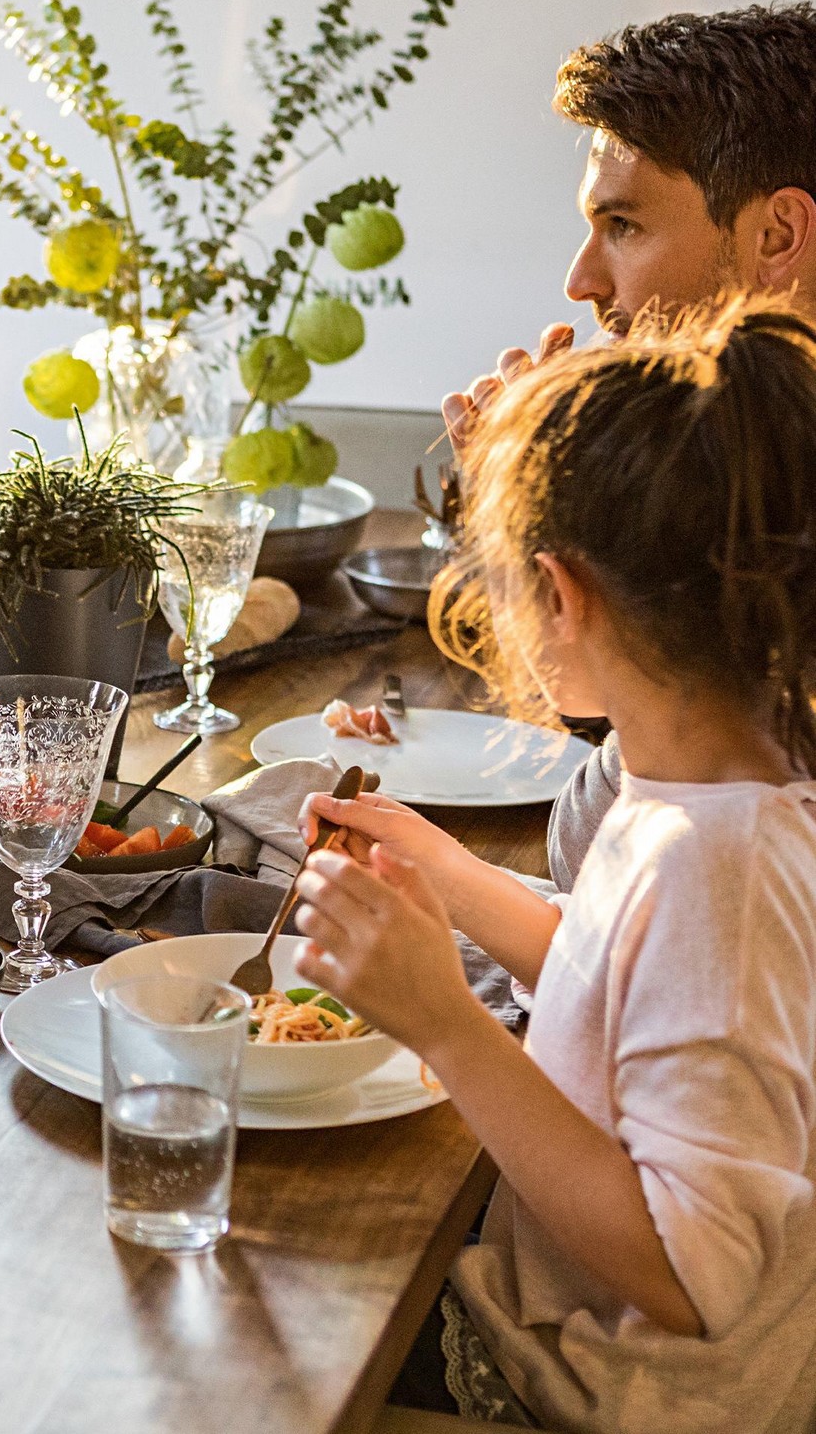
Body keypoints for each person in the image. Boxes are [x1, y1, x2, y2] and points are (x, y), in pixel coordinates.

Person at [294, 298, 816, 1432]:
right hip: (563, 1339)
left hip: (591, 1395)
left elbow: (692, 1277)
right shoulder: (702, 782)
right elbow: (621, 970)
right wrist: (437, 869)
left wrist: (447, 1025)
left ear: (562, 595)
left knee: (265, 1316)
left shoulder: (720, 868)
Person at [440, 4, 816, 890]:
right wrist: (526, 509)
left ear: (778, 236)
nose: (583, 281)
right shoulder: (747, 462)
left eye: (625, 226)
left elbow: (621, 853)